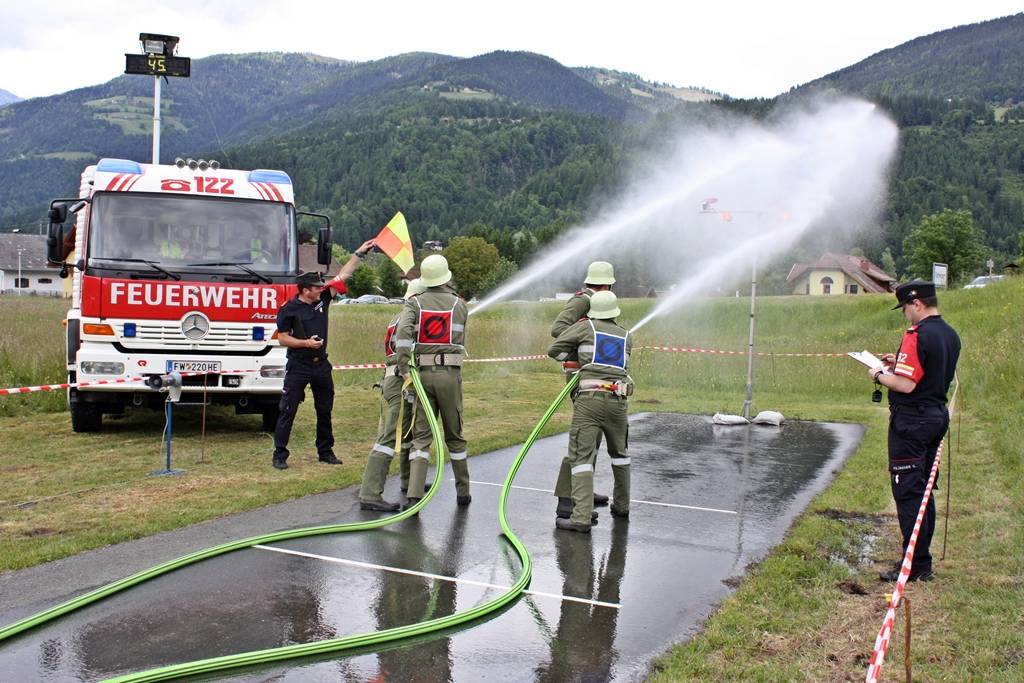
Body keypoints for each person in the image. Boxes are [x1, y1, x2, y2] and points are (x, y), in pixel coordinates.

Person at [869, 280, 960, 582]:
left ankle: (916, 564)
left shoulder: (916, 334)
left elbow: (906, 385)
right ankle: (921, 559)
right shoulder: (950, 334)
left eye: (905, 308)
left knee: (908, 493)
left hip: (911, 422)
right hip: (936, 416)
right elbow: (930, 370)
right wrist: (899, 362)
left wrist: (878, 375)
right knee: (924, 491)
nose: (904, 314)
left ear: (917, 303)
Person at [271, 238, 376, 470]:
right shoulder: (289, 309)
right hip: (298, 365)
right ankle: (280, 455)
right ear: (305, 290)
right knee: (288, 410)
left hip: (321, 365)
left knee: (325, 410)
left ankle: (325, 452)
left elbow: (343, 275)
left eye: (321, 286)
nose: (322, 289)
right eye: (317, 287)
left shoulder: (323, 298)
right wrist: (305, 343)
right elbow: (282, 338)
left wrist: (360, 253)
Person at [548, 290, 633, 533]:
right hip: (619, 402)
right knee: (620, 455)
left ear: (593, 310)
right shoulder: (627, 336)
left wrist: (577, 357)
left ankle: (581, 518)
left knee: (582, 458)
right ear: (615, 312)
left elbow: (555, 350)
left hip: (589, 401)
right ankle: (622, 506)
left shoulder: (585, 327)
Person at [394, 254, 471, 507]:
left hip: (422, 375)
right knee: (454, 434)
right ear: (446, 276)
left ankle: (414, 496)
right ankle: (463, 492)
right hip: (450, 376)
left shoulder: (414, 303)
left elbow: (402, 336)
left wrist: (405, 368)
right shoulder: (459, 304)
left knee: (421, 436)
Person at [549, 261, 616, 518]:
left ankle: (583, 491)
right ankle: (567, 498)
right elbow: (558, 329)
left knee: (592, 437)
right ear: (606, 285)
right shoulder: (582, 301)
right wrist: (583, 340)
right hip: (580, 374)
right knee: (582, 439)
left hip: (593, 375)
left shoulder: (595, 302)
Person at [357, 278, 427, 511]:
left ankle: (408, 482)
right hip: (399, 381)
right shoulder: (411, 318)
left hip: (395, 380)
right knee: (390, 436)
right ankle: (370, 494)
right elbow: (407, 351)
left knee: (406, 433)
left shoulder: (399, 316)